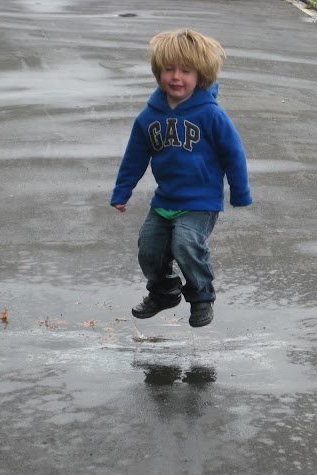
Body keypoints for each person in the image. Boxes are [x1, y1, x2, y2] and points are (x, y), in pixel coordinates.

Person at [110, 29, 252, 327]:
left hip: (201, 200)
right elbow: (135, 157)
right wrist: (122, 192)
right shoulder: (149, 117)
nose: (176, 77)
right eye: (169, 69)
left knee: (186, 243)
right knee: (149, 246)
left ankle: (201, 297)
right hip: (165, 199)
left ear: (201, 76)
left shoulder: (211, 114)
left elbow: (233, 153)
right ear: (158, 72)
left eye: (186, 71)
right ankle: (163, 291)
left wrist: (240, 191)